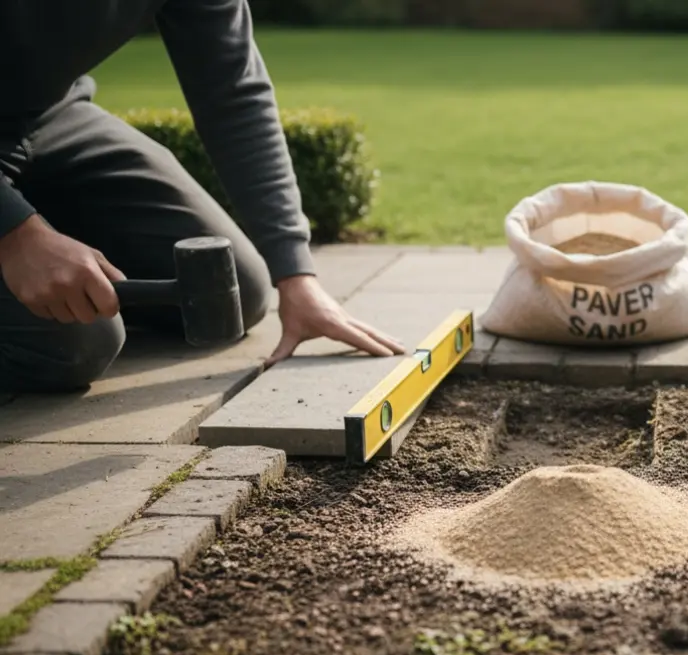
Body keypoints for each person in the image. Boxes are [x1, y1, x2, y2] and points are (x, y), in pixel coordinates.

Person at [0, 0, 404, 394]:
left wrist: (296, 276)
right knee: (79, 342)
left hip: (50, 117)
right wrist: (16, 234)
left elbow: (233, 90)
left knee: (230, 292)